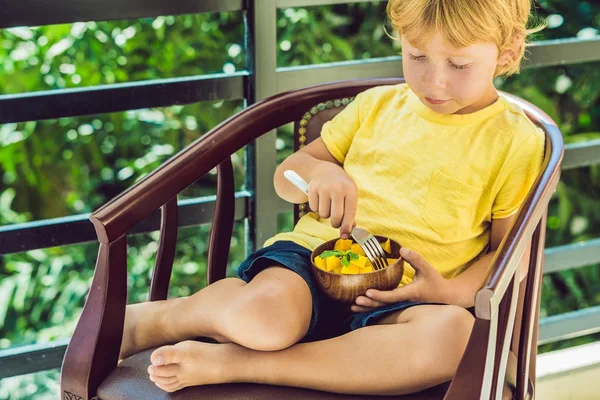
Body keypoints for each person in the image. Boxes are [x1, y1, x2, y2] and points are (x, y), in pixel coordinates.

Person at [119, 0, 546, 395]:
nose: (433, 79)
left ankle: (238, 363)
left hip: (404, 299)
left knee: (455, 337)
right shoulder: (375, 107)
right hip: (310, 261)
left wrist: (449, 292)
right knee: (264, 320)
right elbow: (286, 177)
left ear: (506, 54)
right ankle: (161, 318)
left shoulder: (516, 142)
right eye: (416, 56)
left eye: (458, 64)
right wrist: (320, 171)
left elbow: (510, 254)